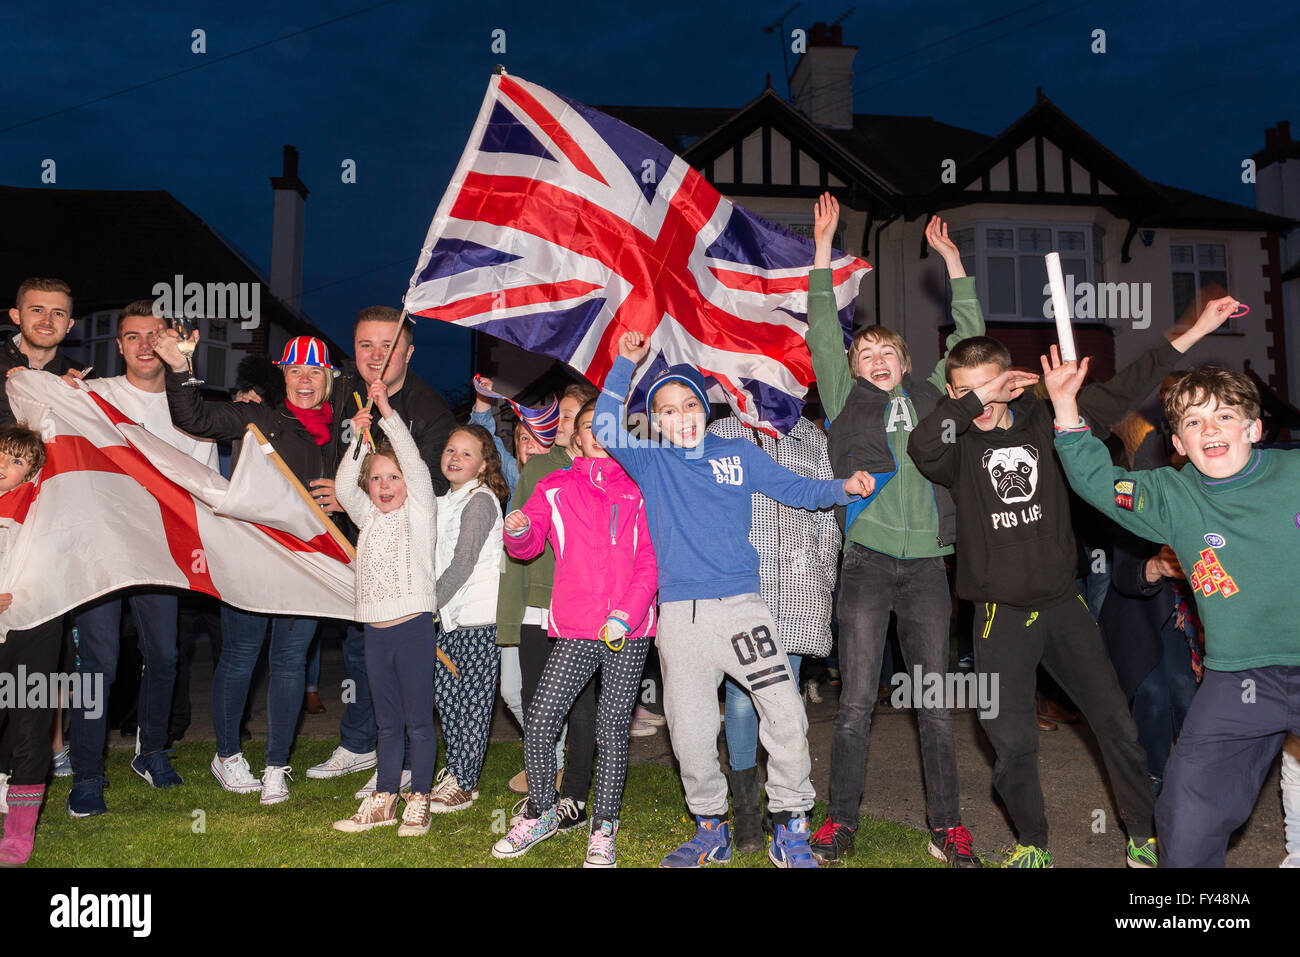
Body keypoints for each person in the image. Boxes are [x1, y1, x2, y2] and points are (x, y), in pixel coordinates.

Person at [908, 294, 1235, 867]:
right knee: (1011, 745)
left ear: (1012, 381)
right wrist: (972, 401)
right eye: (963, 393)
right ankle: (1033, 845)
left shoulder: (1047, 420)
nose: (977, 403)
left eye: (988, 387)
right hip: (998, 616)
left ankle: (1141, 834)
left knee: (1116, 725)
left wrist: (1198, 327)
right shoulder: (956, 448)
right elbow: (923, 444)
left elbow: (1131, 381)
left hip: (1064, 606)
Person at [596, 332, 885, 868]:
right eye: (667, 410)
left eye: (689, 406)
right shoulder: (652, 463)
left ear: (704, 411)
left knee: (785, 715)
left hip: (744, 611)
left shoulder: (736, 452)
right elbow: (605, 426)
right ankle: (711, 827)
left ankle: (791, 825)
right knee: (691, 732)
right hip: (681, 620)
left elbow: (798, 489)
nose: (681, 417)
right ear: (655, 421)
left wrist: (844, 486)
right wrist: (624, 365)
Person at [1046, 350, 1300, 867]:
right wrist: (1066, 408)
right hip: (1239, 680)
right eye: (1194, 421)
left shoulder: (1294, 473)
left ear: (1253, 429)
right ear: (1179, 444)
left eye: (1225, 415)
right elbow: (1096, 482)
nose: (1211, 428)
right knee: (1185, 811)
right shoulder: (1171, 495)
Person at [804, 193, 984, 867]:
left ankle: (949, 827)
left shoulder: (936, 394)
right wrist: (822, 249)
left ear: (907, 363)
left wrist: (954, 261)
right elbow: (824, 326)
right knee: (854, 701)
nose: (876, 358)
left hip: (931, 569)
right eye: (866, 352)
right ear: (853, 368)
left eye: (887, 351)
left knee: (935, 704)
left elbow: (971, 343)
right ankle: (840, 822)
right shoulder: (844, 396)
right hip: (869, 563)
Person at [159, 332, 341, 805]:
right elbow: (193, 417)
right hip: (253, 556)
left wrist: (343, 497)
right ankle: (226, 754)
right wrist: (180, 369)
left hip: (308, 564)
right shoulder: (259, 417)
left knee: (289, 662)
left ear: (329, 381)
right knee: (241, 656)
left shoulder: (342, 434)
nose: (305, 380)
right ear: (282, 376)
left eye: (315, 372)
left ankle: (277, 765)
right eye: (296, 370)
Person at [64, 301, 220, 817]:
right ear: (119, 345)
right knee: (98, 665)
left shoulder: (190, 406)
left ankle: (151, 750)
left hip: (159, 548)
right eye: (133, 336)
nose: (144, 345)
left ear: (170, 340)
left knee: (167, 655)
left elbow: (204, 486)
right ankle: (87, 775)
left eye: (155, 335)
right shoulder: (95, 395)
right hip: (104, 548)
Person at [492, 398, 658, 866]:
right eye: (590, 426)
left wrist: (627, 613)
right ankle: (542, 810)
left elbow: (650, 559)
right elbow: (526, 544)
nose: (599, 433)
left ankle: (603, 827)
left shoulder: (642, 487)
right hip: (577, 627)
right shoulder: (555, 484)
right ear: (578, 438)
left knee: (611, 730)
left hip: (629, 629)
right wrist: (518, 529)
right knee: (542, 717)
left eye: (608, 426)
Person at [308, 306, 455, 787]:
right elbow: (301, 404)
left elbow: (427, 481)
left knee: (408, 678)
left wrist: (385, 423)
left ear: (407, 353)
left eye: (387, 346)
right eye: (366, 344)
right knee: (360, 655)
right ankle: (359, 746)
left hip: (410, 553)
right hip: (360, 544)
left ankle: (412, 765)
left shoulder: (429, 409)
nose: (376, 355)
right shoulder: (342, 388)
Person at [707, 411, 839, 854]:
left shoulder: (808, 436)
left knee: (784, 697)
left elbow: (824, 511)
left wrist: (821, 566)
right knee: (742, 697)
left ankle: (784, 802)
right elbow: (710, 504)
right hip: (743, 583)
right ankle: (744, 805)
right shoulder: (722, 433)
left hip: (798, 584)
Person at [331, 379, 439, 835]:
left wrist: (386, 412)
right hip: (375, 632)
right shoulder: (368, 517)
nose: (384, 485)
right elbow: (342, 485)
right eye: (376, 479)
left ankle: (420, 799)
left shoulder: (421, 510)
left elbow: (412, 462)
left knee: (418, 721)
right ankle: (385, 798)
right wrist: (357, 438)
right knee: (387, 721)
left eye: (392, 478)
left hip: (413, 628)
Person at [496, 382, 600, 827]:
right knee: (539, 705)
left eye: (579, 415)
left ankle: (575, 793)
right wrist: (509, 623)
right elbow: (515, 546)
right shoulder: (540, 471)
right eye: (563, 414)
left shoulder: (610, 472)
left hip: (589, 614)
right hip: (541, 612)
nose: (568, 423)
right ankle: (544, 791)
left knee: (584, 708)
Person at [428, 423, 506, 812]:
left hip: (479, 617)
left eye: (466, 453)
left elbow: (462, 563)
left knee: (472, 702)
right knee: (447, 698)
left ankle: (463, 782)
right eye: (450, 450)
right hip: (450, 617)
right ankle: (458, 772)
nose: (455, 458)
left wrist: (427, 604)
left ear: (482, 465)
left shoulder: (479, 501)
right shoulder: (447, 499)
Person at [0, 424, 55, 866]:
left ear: (32, 472)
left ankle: (20, 830)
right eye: (0, 454)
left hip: (34, 624)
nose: (4, 465)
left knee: (30, 725)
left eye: (17, 461)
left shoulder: (40, 503)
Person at [1, 278, 89, 426]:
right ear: (16, 316)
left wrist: (67, 398)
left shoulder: (83, 380)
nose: (47, 321)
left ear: (69, 325)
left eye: (58, 313)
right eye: (37, 310)